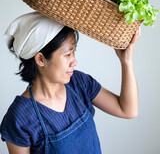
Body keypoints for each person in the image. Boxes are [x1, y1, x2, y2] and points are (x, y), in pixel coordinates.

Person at [0, 11, 141, 154]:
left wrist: (126, 61)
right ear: (40, 59)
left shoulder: (79, 83)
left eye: (74, 52)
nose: (74, 61)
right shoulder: (20, 117)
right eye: (68, 54)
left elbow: (127, 110)